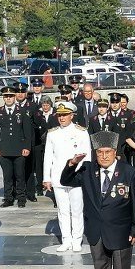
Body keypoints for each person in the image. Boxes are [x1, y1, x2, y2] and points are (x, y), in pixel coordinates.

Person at [61, 131, 135, 269]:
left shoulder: (128, 172)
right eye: (100, 152)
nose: (104, 156)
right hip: (96, 230)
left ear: (115, 152)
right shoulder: (88, 170)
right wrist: (72, 163)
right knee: (101, 268)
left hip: (121, 229)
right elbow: (66, 180)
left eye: (108, 152)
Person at [43, 101, 92, 252]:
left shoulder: (81, 132)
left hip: (76, 177)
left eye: (65, 115)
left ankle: (77, 240)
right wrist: (47, 177)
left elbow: (87, 157)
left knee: (77, 210)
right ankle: (66, 239)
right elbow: (48, 156)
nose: (62, 118)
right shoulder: (53, 133)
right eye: (59, 115)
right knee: (63, 211)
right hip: (58, 176)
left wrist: (85, 176)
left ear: (72, 115)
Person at [0, 86, 33, 208]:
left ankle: (21, 197)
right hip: (4, 149)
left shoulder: (22, 111)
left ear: (14, 97)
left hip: (19, 148)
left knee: (20, 175)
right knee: (7, 176)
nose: (8, 98)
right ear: (3, 98)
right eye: (6, 96)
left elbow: (27, 132)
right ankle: (8, 198)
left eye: (10, 96)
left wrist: (27, 147)